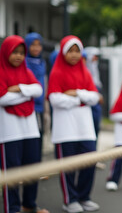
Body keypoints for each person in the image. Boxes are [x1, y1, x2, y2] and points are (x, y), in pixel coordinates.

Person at [47, 35, 100, 212]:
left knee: (89, 161)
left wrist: (75, 94)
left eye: (77, 51)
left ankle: (84, 197)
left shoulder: (85, 72)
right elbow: (55, 99)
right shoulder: (57, 72)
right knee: (67, 166)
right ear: (63, 52)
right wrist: (81, 98)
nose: (75, 55)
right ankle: (70, 200)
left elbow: (94, 97)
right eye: (71, 50)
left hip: (85, 128)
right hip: (65, 130)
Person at [0, 35, 49, 213]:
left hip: (30, 129)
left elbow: (38, 90)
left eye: (21, 53)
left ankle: (29, 205)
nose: (19, 57)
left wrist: (19, 88)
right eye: (15, 52)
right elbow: (3, 98)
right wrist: (26, 93)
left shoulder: (26, 72)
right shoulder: (1, 71)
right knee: (11, 173)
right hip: (9, 131)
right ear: (6, 52)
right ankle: (12, 208)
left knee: (32, 168)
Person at [24, 32, 47, 153]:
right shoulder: (24, 62)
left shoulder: (42, 63)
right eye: (33, 45)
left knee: (39, 136)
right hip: (28, 105)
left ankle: (37, 168)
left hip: (40, 107)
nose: (36, 48)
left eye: (39, 45)